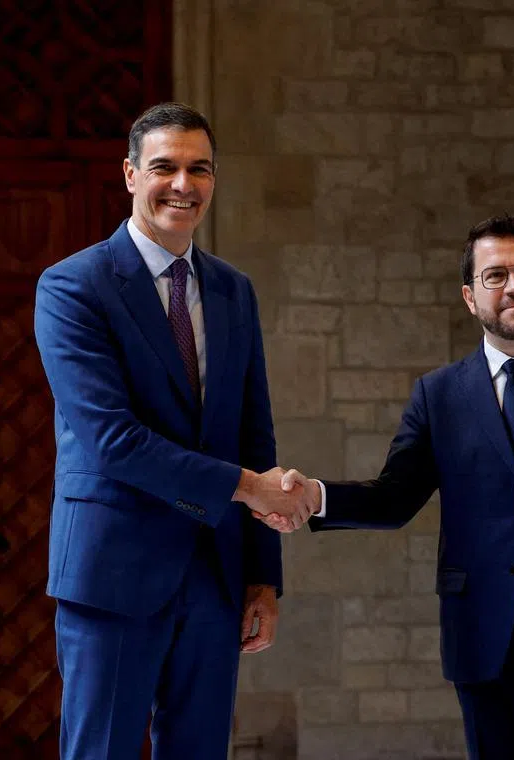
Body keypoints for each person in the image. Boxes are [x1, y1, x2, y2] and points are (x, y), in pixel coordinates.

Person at [252, 214, 514, 760]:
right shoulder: (440, 395)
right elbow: (394, 497)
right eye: (496, 276)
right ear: (470, 297)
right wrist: (316, 496)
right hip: (483, 635)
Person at [34, 102, 310, 760]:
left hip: (215, 577)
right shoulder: (74, 287)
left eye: (200, 169)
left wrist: (262, 577)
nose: (183, 184)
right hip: (114, 572)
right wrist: (248, 487)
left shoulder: (233, 291)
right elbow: (113, 442)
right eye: (164, 167)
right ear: (131, 174)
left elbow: (254, 434)